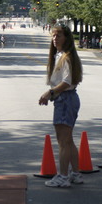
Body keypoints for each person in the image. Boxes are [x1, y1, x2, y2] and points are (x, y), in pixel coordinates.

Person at [39, 24, 83, 188]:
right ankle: (75, 173)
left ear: (67, 38)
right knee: (68, 140)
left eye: (59, 36)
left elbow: (67, 81)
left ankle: (63, 176)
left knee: (63, 141)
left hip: (65, 99)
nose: (55, 39)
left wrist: (49, 93)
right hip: (65, 99)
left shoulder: (67, 57)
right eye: (53, 36)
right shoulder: (62, 55)